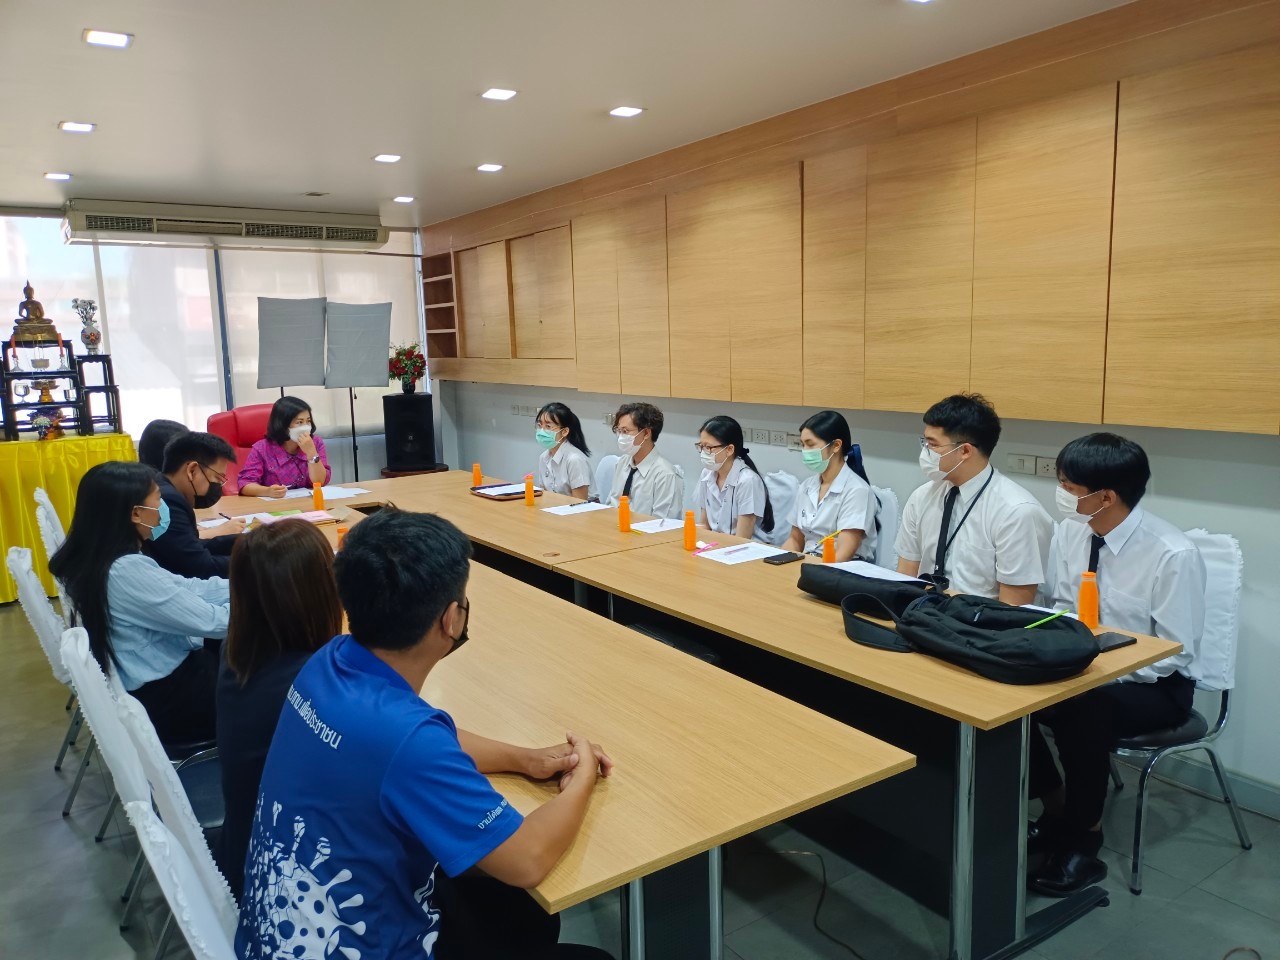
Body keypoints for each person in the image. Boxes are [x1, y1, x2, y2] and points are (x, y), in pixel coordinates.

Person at [235, 509, 614, 960]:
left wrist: (525, 759)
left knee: (518, 913)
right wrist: (583, 776)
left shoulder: (328, 662)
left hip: (276, 935)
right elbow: (527, 859)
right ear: (451, 619)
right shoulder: (407, 740)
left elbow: (418, 744)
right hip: (363, 945)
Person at [1027, 434, 1206, 896]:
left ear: (1105, 497)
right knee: (1011, 690)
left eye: (1068, 486)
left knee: (1083, 708)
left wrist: (1093, 674)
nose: (1061, 494)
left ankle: (1084, 840)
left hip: (1156, 685)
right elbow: (1060, 605)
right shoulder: (1073, 530)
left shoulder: (1172, 553)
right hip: (1081, 666)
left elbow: (1174, 652)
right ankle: (1055, 806)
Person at [48, 462, 227, 744]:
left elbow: (185, 587)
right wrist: (267, 597)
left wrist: (244, 585)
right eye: (158, 499)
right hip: (173, 700)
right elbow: (214, 623)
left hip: (154, 684)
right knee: (270, 675)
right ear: (135, 513)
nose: (163, 508)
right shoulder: (125, 571)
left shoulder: (105, 556)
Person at [216, 519, 343, 900]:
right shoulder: (315, 684)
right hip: (289, 884)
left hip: (244, 849)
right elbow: (410, 746)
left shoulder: (237, 650)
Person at [896, 394, 1052, 603]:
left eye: (932, 445)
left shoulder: (1016, 511)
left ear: (965, 451)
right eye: (924, 442)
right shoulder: (921, 497)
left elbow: (1012, 608)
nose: (925, 451)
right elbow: (905, 577)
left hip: (981, 620)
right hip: (921, 614)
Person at [144, 432, 245, 579]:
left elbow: (191, 546)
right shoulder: (167, 501)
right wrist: (256, 561)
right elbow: (199, 567)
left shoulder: (165, 488)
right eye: (218, 478)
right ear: (192, 470)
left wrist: (247, 542)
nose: (219, 486)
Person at [783, 410, 878, 562]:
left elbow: (843, 554)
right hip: (809, 563)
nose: (805, 451)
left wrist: (812, 570)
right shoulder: (806, 486)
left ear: (836, 446)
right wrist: (779, 563)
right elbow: (795, 539)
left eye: (810, 444)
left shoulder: (857, 490)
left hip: (841, 568)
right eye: (802, 445)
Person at [694, 415, 774, 539]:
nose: (704, 452)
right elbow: (704, 525)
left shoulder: (748, 481)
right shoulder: (706, 474)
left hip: (743, 547)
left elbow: (743, 538)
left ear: (729, 449)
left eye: (708, 447)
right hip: (714, 544)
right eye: (701, 446)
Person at [236, 395, 331, 497]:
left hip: (308, 502)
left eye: (308, 421)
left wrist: (311, 453)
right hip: (275, 504)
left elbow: (319, 481)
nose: (305, 427)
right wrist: (267, 491)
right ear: (283, 425)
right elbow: (245, 484)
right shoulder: (262, 448)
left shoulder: (316, 442)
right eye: (299, 422)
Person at [606, 401, 681, 520]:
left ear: (646, 433)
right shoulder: (622, 462)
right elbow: (612, 504)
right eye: (618, 431)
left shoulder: (665, 474)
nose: (620, 437)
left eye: (625, 431)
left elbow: (664, 522)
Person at [535, 402, 592, 499]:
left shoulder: (575, 459)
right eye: (540, 426)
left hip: (582, 507)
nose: (542, 431)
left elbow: (580, 501)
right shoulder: (543, 457)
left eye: (548, 426)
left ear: (564, 431)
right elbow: (544, 495)